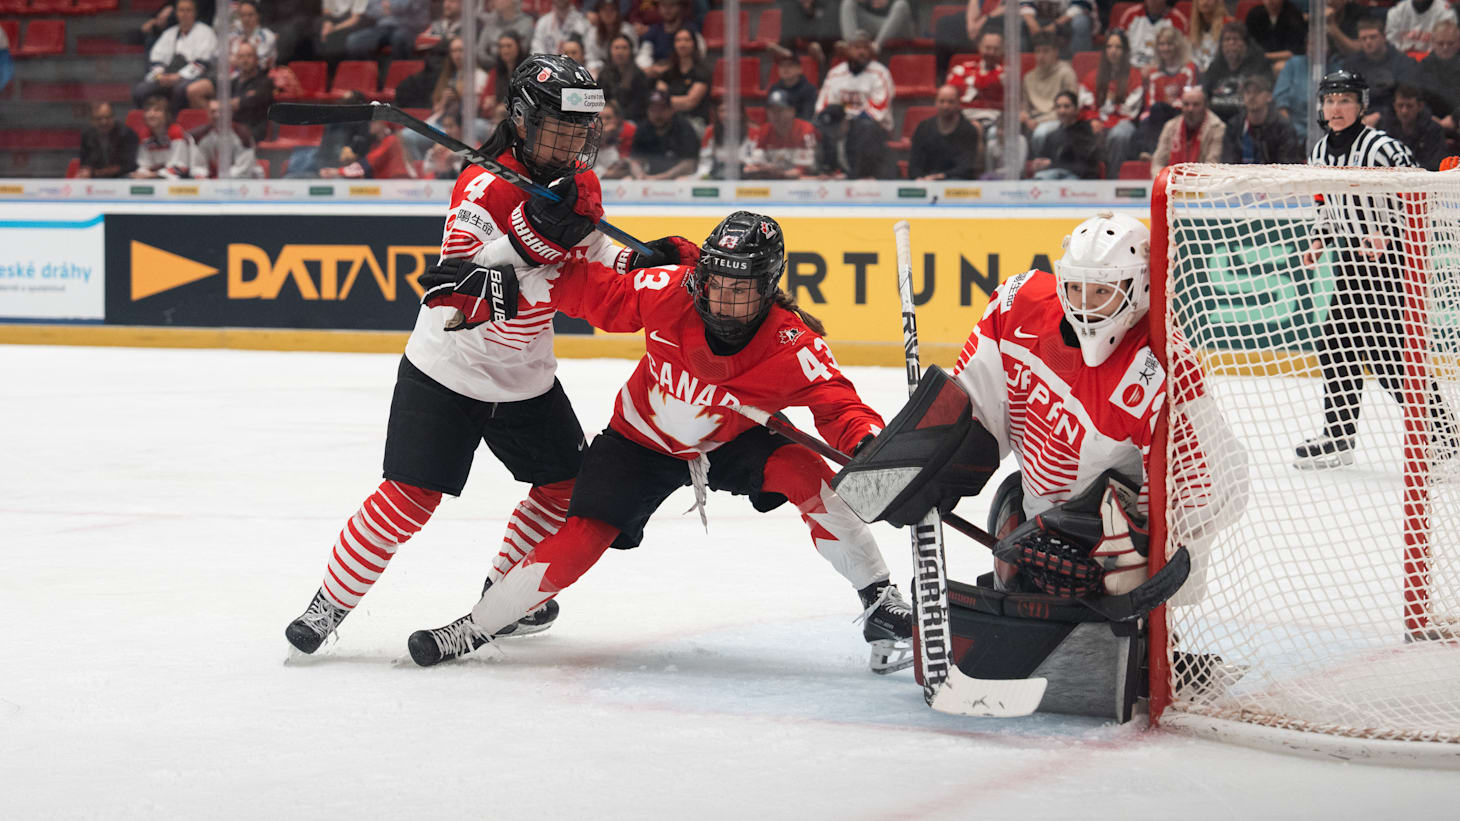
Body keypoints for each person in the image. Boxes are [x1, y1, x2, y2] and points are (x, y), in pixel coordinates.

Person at [283, 55, 699, 654]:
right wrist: (527, 241)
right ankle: (328, 606)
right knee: (410, 497)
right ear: (524, 122)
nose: (571, 143)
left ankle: (502, 594)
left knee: (563, 487)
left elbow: (594, 255)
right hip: (449, 370)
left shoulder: (577, 186)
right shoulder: (485, 187)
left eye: (580, 131)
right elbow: (460, 294)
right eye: (559, 128)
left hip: (525, 377)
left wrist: (642, 260)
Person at [406, 211, 917, 675]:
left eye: (740, 290)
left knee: (807, 473)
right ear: (702, 274)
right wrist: (507, 283)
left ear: (767, 289)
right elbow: (590, 289)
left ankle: (878, 599)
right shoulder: (669, 290)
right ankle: (472, 628)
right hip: (637, 443)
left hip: (729, 443)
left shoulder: (793, 344)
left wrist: (870, 443)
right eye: (716, 283)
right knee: (583, 536)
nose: (723, 299)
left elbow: (840, 406)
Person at [830, 211, 1246, 719]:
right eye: (1077, 290)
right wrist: (919, 462)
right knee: (1019, 547)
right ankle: (1037, 586)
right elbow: (974, 411)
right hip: (1035, 518)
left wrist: (1139, 553)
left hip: (1108, 530)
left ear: (1138, 290)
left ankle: (1143, 634)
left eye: (1103, 293)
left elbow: (1217, 487)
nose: (1086, 307)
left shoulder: (1159, 367)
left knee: (1121, 569)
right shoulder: (1021, 307)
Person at [1295, 70, 1458, 468]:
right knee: (1336, 345)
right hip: (1351, 259)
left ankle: (1444, 436)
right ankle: (1338, 437)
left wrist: (1388, 231)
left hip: (1391, 260)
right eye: (1330, 100)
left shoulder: (1381, 147)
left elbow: (1416, 191)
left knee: (1390, 357)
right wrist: (1319, 241)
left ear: (1361, 105)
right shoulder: (1318, 152)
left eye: (1345, 100)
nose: (1336, 108)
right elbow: (1325, 205)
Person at [1078, 29, 1143, 177]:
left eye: (1118, 47)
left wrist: (1109, 118)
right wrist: (1093, 120)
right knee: (1083, 132)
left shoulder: (1134, 76)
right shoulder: (1091, 76)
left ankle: (1114, 181)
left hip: (1123, 123)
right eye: (1109, 46)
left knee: (1119, 135)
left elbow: (1130, 111)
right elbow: (1085, 107)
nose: (1113, 51)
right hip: (1099, 122)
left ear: (1125, 51)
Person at [133, 0, 217, 111]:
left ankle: (175, 122)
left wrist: (178, 76)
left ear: (195, 13)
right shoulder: (169, 34)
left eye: (188, 10)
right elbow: (156, 61)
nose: (185, 14)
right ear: (176, 13)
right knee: (141, 90)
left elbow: (203, 63)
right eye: (181, 10)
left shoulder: (206, 32)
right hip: (167, 76)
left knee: (179, 89)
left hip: (194, 78)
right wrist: (160, 76)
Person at [1343, 17, 1422, 124]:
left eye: (1373, 37)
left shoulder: (1402, 62)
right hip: (1359, 117)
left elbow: (1406, 97)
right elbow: (1347, 95)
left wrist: (1379, 115)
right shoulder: (1351, 63)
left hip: (1394, 118)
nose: (1368, 42)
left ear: (1384, 37)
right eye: (1363, 38)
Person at [815, 29, 895, 133]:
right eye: (857, 47)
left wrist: (850, 123)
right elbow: (823, 105)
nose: (861, 52)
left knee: (865, 126)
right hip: (841, 126)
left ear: (870, 50)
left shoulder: (881, 73)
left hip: (873, 127)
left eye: (865, 48)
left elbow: (878, 110)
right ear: (848, 50)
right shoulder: (835, 73)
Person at [1219, 74, 1302, 164]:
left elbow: (1288, 164)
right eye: (1248, 92)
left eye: (1257, 92)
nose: (1251, 96)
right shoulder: (1234, 125)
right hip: (1240, 176)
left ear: (1269, 97)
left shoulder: (1284, 127)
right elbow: (1227, 161)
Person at [907, 84, 983, 180]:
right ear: (935, 103)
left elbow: (966, 167)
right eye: (942, 101)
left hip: (956, 184)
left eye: (950, 102)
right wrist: (918, 178)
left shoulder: (968, 130)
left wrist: (941, 176)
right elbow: (914, 163)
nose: (945, 106)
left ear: (958, 104)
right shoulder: (923, 128)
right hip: (926, 182)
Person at [1202, 22, 1273, 124]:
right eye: (1227, 39)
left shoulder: (1259, 64)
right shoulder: (1215, 66)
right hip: (1215, 121)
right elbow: (1204, 94)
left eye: (1236, 39)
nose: (1231, 43)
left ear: (1246, 44)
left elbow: (1264, 96)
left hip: (1246, 121)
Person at [1022, 33, 1079, 156]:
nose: (1041, 56)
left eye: (1046, 51)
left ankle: (1040, 168)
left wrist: (1039, 121)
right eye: (1038, 52)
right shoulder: (1028, 77)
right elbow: (1024, 108)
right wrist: (1025, 117)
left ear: (1055, 52)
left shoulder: (1066, 73)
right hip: (1032, 120)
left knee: (1040, 133)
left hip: (1057, 118)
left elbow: (1071, 108)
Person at [743, 88, 820, 179]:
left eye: (780, 110)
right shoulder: (764, 131)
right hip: (774, 183)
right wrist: (759, 168)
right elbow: (754, 164)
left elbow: (806, 170)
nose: (775, 114)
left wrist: (777, 173)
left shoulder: (806, 130)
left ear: (792, 111)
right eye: (771, 110)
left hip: (802, 186)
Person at [1151, 86, 1225, 174]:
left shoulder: (1217, 127)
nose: (1190, 109)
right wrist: (1164, 180)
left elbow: (1213, 164)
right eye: (1186, 104)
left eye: (1196, 104)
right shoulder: (1170, 126)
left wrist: (1189, 183)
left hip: (1202, 182)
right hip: (1172, 182)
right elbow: (1158, 162)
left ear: (1205, 106)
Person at [629, 89, 701, 179]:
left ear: (672, 110)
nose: (657, 114)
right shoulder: (643, 129)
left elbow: (690, 164)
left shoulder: (684, 128)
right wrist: (639, 175)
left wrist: (664, 177)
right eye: (653, 110)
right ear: (647, 111)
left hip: (678, 178)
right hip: (651, 177)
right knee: (627, 180)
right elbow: (635, 160)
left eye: (662, 109)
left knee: (682, 180)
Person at [1029, 90, 1100, 178]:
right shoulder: (1052, 135)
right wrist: (1038, 164)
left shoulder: (1086, 131)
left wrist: (1051, 164)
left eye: (1067, 106)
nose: (1062, 111)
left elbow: (1082, 166)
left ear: (1076, 109)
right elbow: (1043, 158)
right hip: (1053, 178)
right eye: (1058, 107)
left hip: (1079, 181)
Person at [131, 95, 204, 179]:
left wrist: (154, 175)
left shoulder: (176, 132)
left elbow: (179, 168)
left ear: (167, 115)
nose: (151, 114)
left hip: (191, 178)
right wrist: (141, 173)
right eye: (148, 111)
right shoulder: (145, 136)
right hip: (160, 178)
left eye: (157, 110)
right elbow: (145, 165)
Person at [188, 99, 263, 178]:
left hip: (248, 183)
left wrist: (218, 181)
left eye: (221, 111)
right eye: (213, 111)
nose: (217, 115)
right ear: (207, 114)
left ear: (230, 114)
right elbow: (198, 167)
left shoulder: (242, 135)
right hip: (215, 183)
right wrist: (202, 178)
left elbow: (242, 170)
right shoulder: (200, 136)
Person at [1378, 84, 1448, 169]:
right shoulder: (1385, 127)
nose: (1404, 111)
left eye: (1409, 106)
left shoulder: (1433, 130)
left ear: (1420, 106)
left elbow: (1436, 163)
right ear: (1394, 106)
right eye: (1400, 105)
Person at [814, 103, 892, 178]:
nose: (830, 133)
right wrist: (827, 173)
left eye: (834, 128)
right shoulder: (829, 138)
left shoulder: (865, 132)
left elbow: (868, 167)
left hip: (877, 183)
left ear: (844, 122)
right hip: (847, 183)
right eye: (827, 129)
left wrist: (846, 177)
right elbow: (829, 165)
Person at [658, 26, 713, 131]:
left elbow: (690, 102)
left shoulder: (702, 72)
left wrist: (666, 102)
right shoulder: (668, 72)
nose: (682, 44)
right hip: (669, 119)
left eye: (686, 40)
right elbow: (659, 99)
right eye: (678, 40)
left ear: (694, 44)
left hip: (694, 121)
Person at [345, 0, 431, 61]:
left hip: (410, 26)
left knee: (400, 38)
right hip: (385, 26)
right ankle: (372, 79)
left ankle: (401, 79)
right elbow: (370, 9)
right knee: (355, 41)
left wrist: (390, 6)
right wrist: (388, 7)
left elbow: (403, 6)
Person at [1117, 0, 1188, 70]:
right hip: (1131, 68)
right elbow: (1117, 44)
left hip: (1163, 71)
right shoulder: (1130, 14)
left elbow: (1183, 53)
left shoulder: (1178, 20)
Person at [77, 102, 139, 179]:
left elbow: (128, 165)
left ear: (113, 117)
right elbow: (85, 162)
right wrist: (86, 171)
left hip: (122, 177)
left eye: (107, 117)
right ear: (92, 120)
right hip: (96, 178)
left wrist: (96, 172)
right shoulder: (87, 136)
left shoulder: (126, 134)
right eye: (99, 118)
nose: (104, 122)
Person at [228, 41, 274, 143]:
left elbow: (252, 101)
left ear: (256, 59)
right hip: (231, 131)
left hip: (254, 132)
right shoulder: (231, 84)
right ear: (236, 60)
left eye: (249, 56)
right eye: (241, 56)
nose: (245, 60)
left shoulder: (265, 82)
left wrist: (236, 103)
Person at [599, 33, 651, 122]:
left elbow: (641, 105)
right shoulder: (604, 74)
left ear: (631, 51)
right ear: (610, 51)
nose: (620, 52)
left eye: (624, 48)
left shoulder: (639, 75)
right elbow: (598, 100)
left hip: (632, 120)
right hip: (606, 119)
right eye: (616, 48)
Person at [1244, 0, 1305, 70]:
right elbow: (1248, 43)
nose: (1270, 1)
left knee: (1280, 67)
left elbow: (1295, 51)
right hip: (1259, 60)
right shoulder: (1254, 14)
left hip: (1285, 61)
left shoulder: (1293, 15)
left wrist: (1264, 56)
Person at [1018, 0, 1093, 57]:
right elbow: (1025, 3)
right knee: (1019, 24)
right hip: (1038, 22)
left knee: (1081, 22)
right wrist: (1032, 24)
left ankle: (1079, 65)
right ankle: (1025, 64)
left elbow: (1080, 5)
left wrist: (1055, 25)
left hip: (1067, 21)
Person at [584, 0, 636, 76]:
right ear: (599, 12)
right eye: (604, 10)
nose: (608, 13)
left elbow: (634, 52)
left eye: (612, 10)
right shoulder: (593, 32)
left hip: (624, 68)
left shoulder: (627, 30)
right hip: (600, 69)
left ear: (618, 12)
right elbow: (591, 58)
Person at [1420, 22, 1460, 120]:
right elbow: (1418, 98)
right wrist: (1430, 118)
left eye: (1450, 43)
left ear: (1459, 42)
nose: (1445, 48)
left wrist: (1454, 119)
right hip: (1430, 121)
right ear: (1433, 42)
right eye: (1440, 43)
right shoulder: (1423, 66)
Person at [1386, 0, 1456, 54]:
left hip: (1432, 60)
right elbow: (1391, 41)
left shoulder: (1446, 12)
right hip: (1402, 58)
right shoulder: (1397, 11)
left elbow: (1446, 46)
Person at [841, 0, 915, 51]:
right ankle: (851, 45)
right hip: (877, 26)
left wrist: (877, 44)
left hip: (900, 30)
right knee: (848, 2)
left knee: (901, 4)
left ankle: (876, 45)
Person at [766, 51, 818, 121]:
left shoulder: (810, 90)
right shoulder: (774, 89)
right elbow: (770, 116)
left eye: (790, 65)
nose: (785, 69)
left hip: (801, 129)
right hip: (777, 128)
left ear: (800, 69)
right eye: (782, 65)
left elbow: (807, 117)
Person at [1187, 0, 1233, 71]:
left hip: (1221, 71)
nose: (1205, 2)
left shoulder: (1229, 24)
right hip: (1198, 74)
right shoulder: (1190, 26)